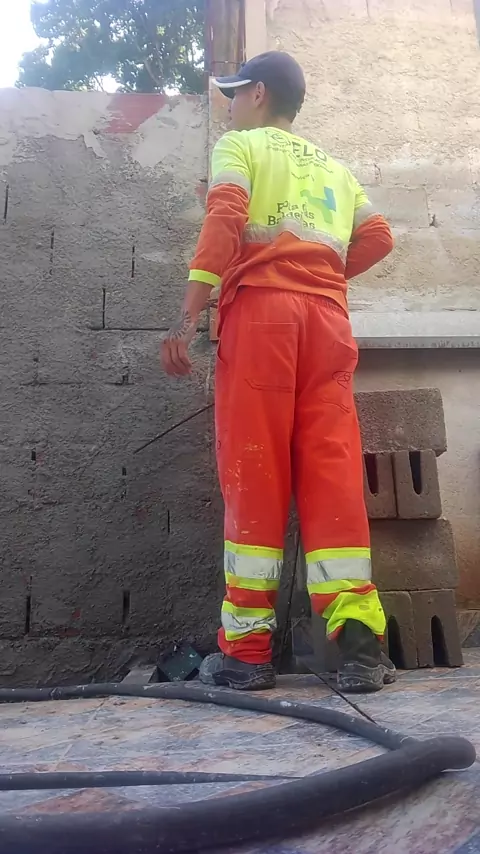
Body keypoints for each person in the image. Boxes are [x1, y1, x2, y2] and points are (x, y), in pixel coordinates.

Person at [161, 51, 395, 694]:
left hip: (262, 320)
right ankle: (359, 650)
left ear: (258, 93)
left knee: (254, 474)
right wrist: (319, 274)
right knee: (333, 473)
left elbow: (224, 219)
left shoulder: (240, 146)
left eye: (234, 95)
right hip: (327, 324)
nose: (230, 107)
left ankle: (246, 654)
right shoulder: (336, 169)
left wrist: (187, 315)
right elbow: (378, 237)